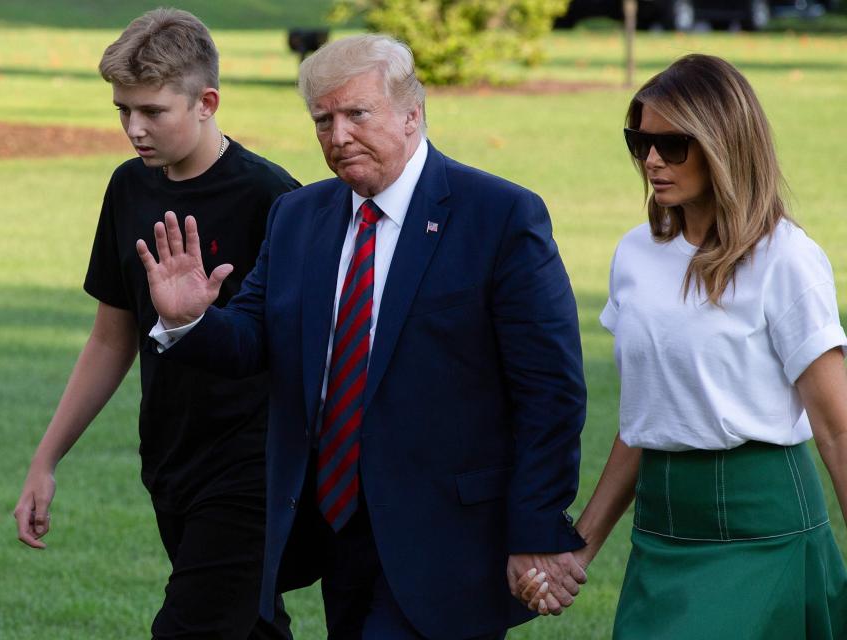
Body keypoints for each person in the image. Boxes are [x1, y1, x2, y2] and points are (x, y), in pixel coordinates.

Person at [137, 33, 589, 640]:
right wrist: (190, 319)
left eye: (356, 114)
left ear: (412, 113)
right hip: (333, 529)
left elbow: (551, 393)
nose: (338, 135)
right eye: (323, 120)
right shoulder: (298, 216)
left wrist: (536, 529)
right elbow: (252, 339)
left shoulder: (499, 216)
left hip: (444, 537)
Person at [519, 54, 847, 638]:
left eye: (672, 145)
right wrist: (580, 550)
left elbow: (837, 429)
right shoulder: (635, 254)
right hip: (661, 533)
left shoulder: (787, 260)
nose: (651, 160)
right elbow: (646, 420)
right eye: (639, 141)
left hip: (762, 533)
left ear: (724, 145)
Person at [11, 9, 299, 639]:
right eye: (122, 110)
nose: (134, 129)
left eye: (152, 111)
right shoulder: (128, 189)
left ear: (207, 102)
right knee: (252, 629)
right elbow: (111, 337)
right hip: (171, 458)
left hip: (253, 469)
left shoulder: (273, 199)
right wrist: (46, 459)